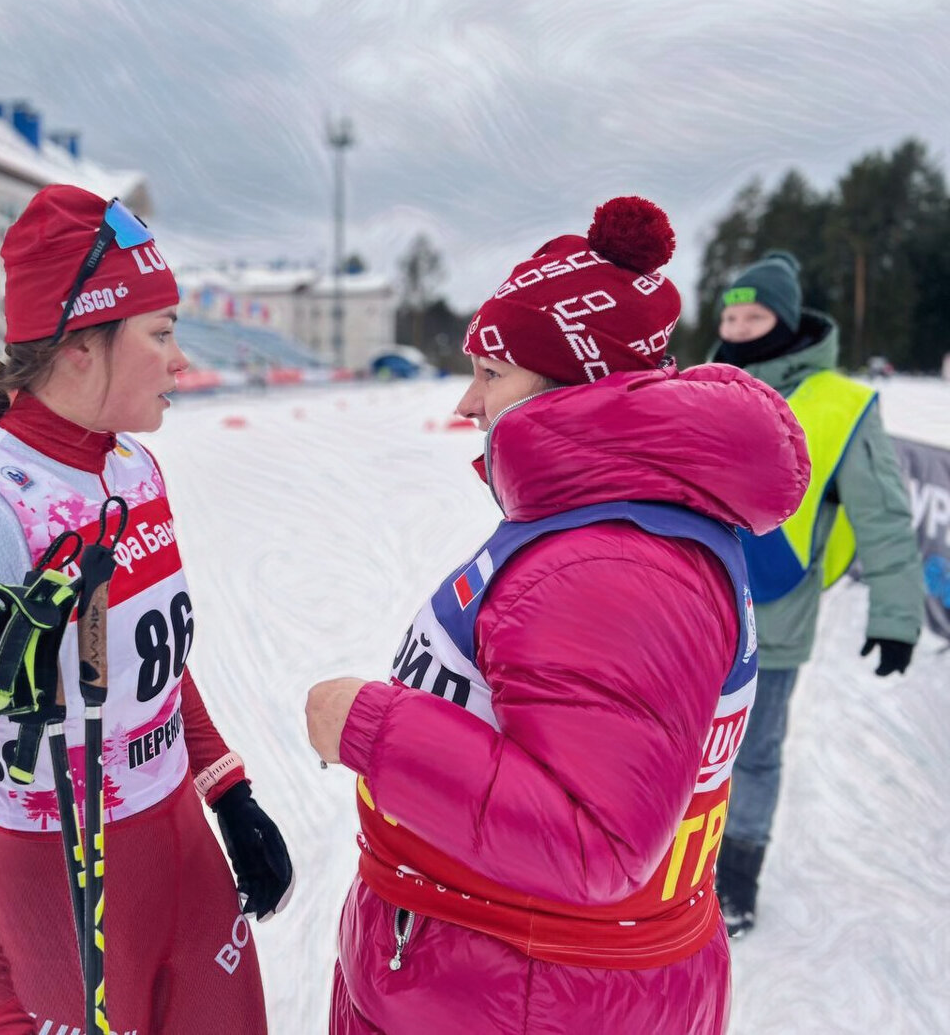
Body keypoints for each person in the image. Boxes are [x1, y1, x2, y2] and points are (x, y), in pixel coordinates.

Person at [306, 197, 810, 1034]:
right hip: (506, 978)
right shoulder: (602, 521)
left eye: (492, 371)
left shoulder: (616, 560)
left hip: (529, 993)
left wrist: (366, 724)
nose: (468, 402)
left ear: (574, 378)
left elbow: (595, 839)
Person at [0, 185, 293, 1035]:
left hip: (183, 856)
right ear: (79, 346)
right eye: (162, 334)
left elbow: (154, 661)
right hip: (58, 899)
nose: (182, 362)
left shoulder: (133, 468)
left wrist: (228, 790)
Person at [709, 251, 923, 937]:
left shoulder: (839, 401)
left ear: (788, 319)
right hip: (691, 606)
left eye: (755, 314)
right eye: (730, 315)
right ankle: (673, 865)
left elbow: (883, 512)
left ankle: (735, 880)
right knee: (677, 741)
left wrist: (897, 613)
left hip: (776, 610)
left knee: (756, 749)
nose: (739, 328)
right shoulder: (700, 387)